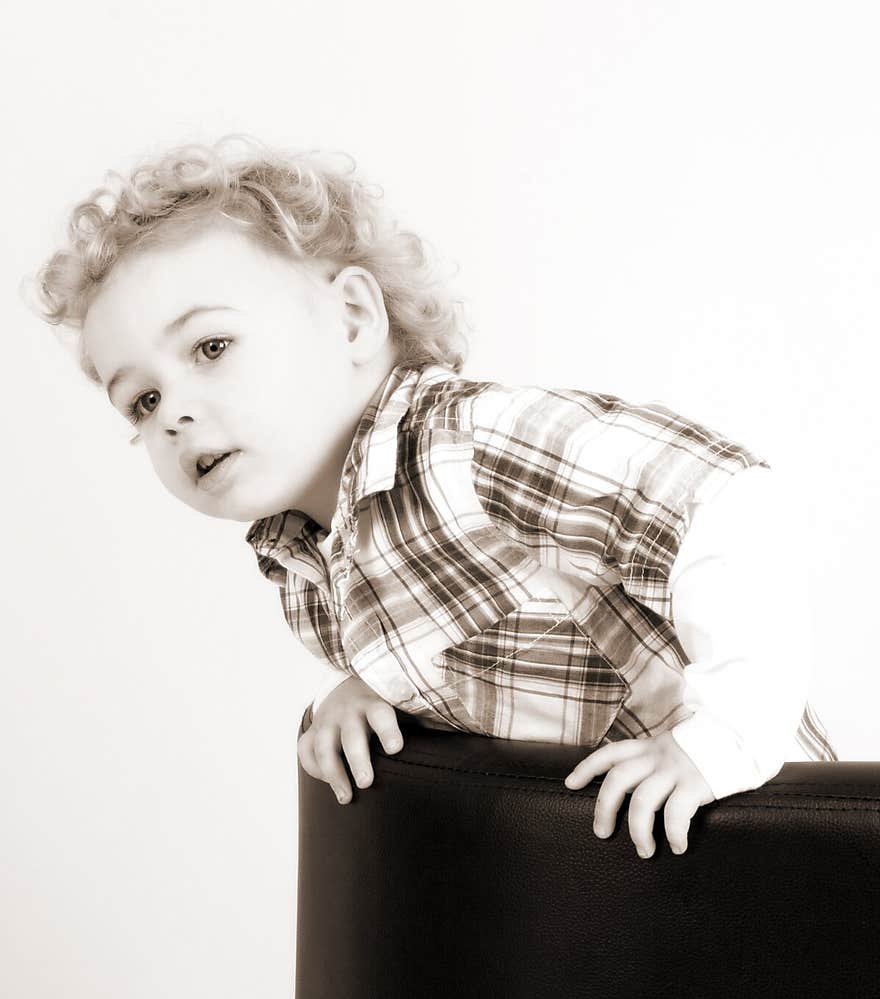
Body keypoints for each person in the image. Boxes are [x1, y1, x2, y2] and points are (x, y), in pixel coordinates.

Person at [28, 134, 836, 861]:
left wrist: (721, 734)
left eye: (211, 346)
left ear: (350, 317)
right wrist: (378, 690)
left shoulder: (468, 444)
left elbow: (727, 501)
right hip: (614, 879)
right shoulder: (308, 570)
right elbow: (488, 656)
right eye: (139, 400)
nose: (174, 412)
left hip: (756, 832)